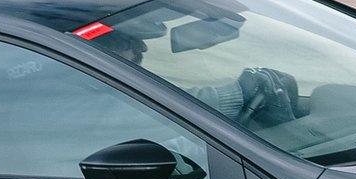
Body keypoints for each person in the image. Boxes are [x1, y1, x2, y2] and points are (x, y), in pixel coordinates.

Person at [89, 30, 300, 127]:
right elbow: (154, 110)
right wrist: (240, 92)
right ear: (95, 51)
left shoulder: (124, 90)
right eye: (126, 40)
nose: (143, 47)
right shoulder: (95, 110)